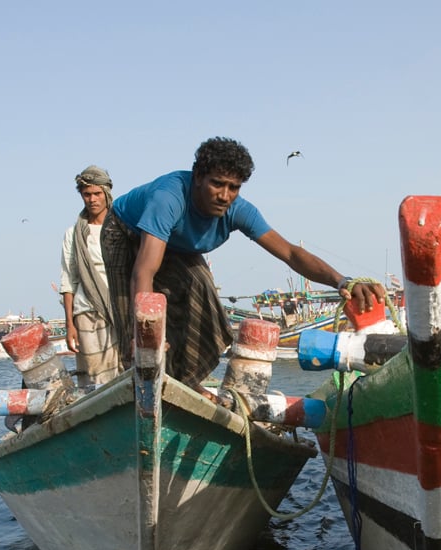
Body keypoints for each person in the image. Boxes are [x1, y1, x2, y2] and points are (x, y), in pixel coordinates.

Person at [101, 136, 386, 388]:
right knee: (137, 324)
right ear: (198, 177)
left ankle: (183, 384)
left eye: (233, 187)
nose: (225, 195)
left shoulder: (238, 210)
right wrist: (145, 334)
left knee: (204, 297)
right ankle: (144, 384)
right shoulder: (169, 198)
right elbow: (144, 269)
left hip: (177, 244)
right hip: (126, 233)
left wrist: (342, 281)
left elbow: (289, 252)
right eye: (217, 184)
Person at [59, 165, 122, 386]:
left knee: (123, 373)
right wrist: (70, 325)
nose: (92, 199)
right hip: (86, 312)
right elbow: (69, 280)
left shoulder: (122, 228)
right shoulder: (73, 234)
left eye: (97, 194)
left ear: (106, 193)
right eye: (87, 194)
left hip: (119, 310)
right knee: (94, 378)